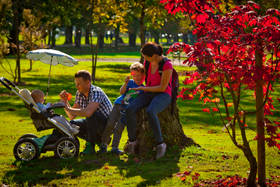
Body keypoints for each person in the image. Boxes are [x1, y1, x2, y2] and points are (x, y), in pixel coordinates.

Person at [125, 42, 173, 159]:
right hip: (148, 92)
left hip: (163, 95)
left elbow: (162, 87)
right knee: (130, 108)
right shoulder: (147, 62)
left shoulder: (167, 65)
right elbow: (142, 79)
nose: (144, 59)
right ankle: (132, 141)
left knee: (151, 111)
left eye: (146, 56)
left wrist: (143, 88)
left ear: (155, 56)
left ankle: (160, 144)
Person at [59, 70, 113, 155]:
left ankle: (91, 146)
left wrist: (68, 108)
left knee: (92, 115)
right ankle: (99, 141)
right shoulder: (80, 93)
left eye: (79, 84)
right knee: (71, 124)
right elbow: (72, 116)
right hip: (93, 123)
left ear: (88, 82)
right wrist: (65, 102)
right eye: (76, 84)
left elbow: (88, 113)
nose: (77, 86)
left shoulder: (96, 92)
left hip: (106, 125)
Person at [100, 62, 145, 154]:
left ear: (143, 75)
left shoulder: (143, 88)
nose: (137, 78)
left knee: (119, 128)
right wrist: (125, 84)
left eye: (139, 75)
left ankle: (114, 147)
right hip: (118, 105)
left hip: (127, 110)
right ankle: (103, 144)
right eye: (134, 76)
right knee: (110, 124)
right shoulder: (130, 83)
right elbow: (121, 92)